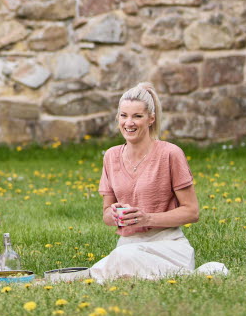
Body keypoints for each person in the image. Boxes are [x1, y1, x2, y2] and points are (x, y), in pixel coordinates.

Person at [87, 82, 203, 282]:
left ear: (151, 119)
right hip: (127, 245)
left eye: (137, 116)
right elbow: (106, 215)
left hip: (168, 245)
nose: (129, 123)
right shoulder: (111, 156)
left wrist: (147, 219)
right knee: (115, 261)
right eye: (124, 115)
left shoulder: (170, 153)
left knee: (113, 266)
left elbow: (192, 212)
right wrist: (113, 214)